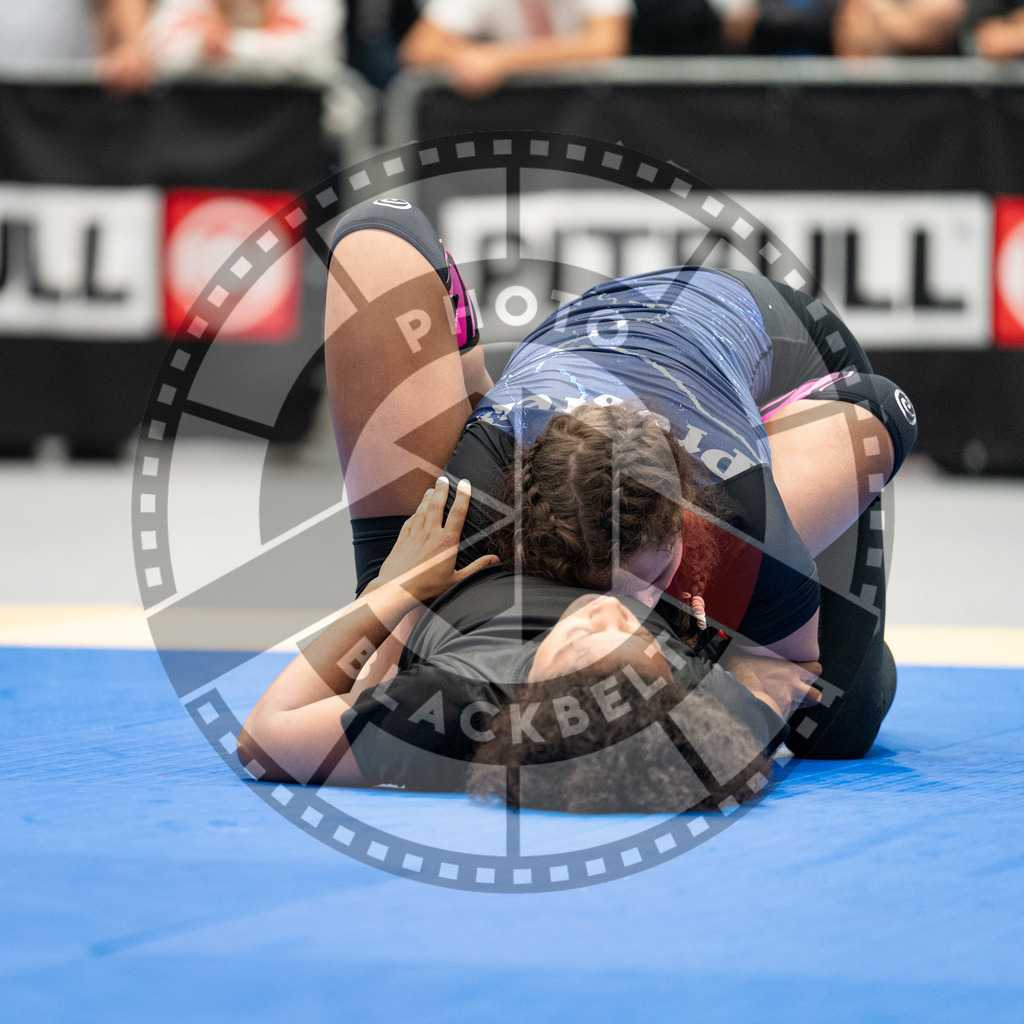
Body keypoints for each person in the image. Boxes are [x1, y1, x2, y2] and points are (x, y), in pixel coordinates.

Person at [238, 198, 916, 810]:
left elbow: (265, 739)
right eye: (633, 630)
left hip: (696, 369)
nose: (608, 613)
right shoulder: (734, 556)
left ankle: (472, 380)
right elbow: (789, 671)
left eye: (584, 647)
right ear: (675, 677)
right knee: (839, 721)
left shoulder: (448, 708)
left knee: (373, 240)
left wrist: (390, 593)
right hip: (774, 362)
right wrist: (738, 670)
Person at [398, 0, 632, 98]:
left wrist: (501, 58)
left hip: (596, 110)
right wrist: (468, 57)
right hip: (515, 115)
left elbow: (607, 44)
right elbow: (418, 49)